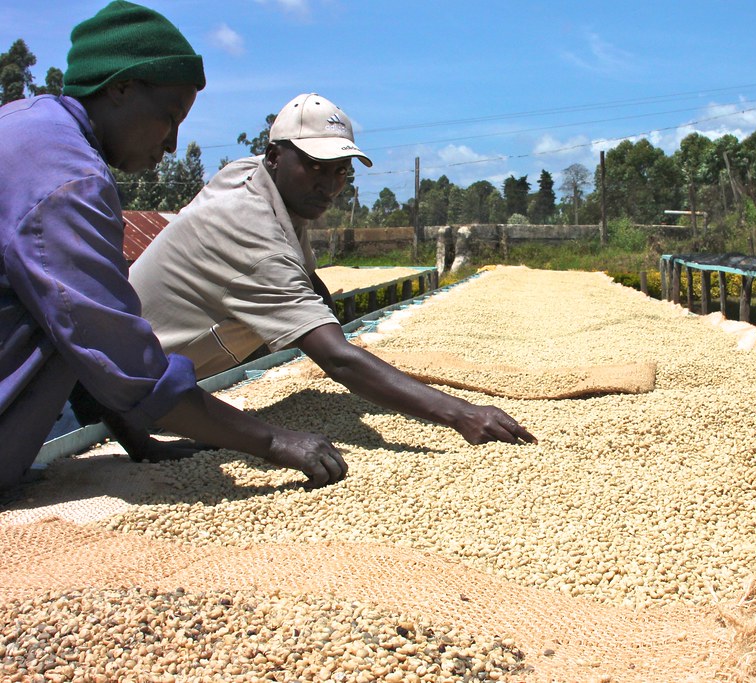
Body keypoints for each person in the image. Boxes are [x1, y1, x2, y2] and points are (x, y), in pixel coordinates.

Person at [0, 1, 347, 491]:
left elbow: (73, 333)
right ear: (120, 88)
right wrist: (275, 442)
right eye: (169, 117)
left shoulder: (26, 127)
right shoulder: (69, 181)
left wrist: (137, 441)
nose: (171, 145)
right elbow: (120, 357)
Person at [85, 92, 536, 458]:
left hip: (135, 388)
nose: (329, 184)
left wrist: (326, 307)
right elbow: (336, 360)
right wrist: (461, 413)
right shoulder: (248, 232)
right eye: (315, 167)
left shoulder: (254, 177)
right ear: (275, 156)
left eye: (340, 171)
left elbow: (303, 272)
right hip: (99, 402)